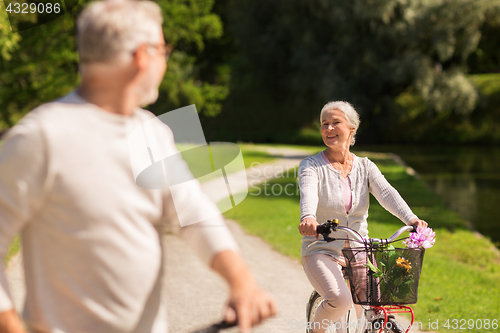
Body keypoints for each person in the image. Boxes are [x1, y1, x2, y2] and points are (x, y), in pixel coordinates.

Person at [0, 1, 276, 332]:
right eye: (163, 50)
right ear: (142, 55)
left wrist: (242, 283)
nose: (165, 61)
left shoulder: (152, 133)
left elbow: (194, 215)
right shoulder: (41, 136)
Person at [298, 101, 427, 333]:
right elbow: (308, 193)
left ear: (352, 128)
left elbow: (387, 193)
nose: (328, 128)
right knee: (341, 300)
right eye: (324, 124)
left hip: (359, 249)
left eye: (335, 122)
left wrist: (411, 219)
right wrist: (308, 217)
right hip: (321, 249)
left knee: (374, 308)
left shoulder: (365, 166)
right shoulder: (311, 166)